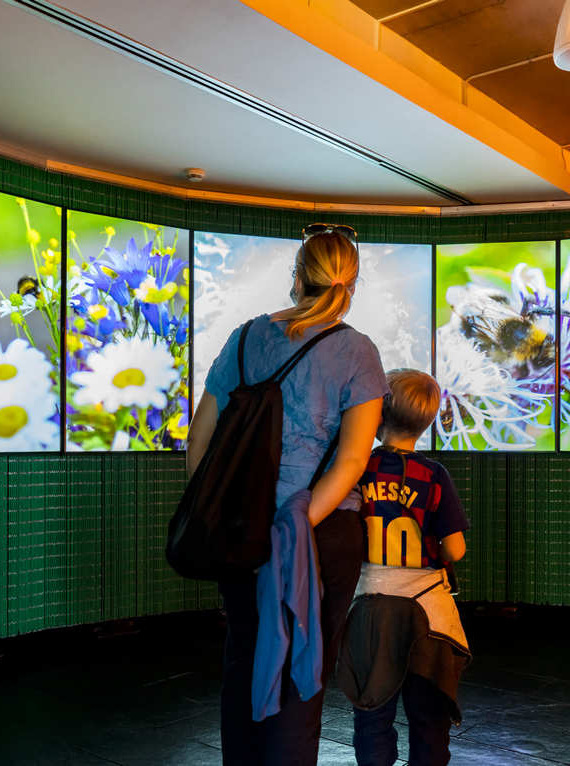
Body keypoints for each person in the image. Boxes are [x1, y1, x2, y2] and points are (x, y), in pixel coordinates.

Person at [187, 226, 387, 766]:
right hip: (320, 535)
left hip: (242, 530)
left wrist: (233, 514)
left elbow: (198, 441)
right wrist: (295, 522)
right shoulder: (357, 352)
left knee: (245, 656)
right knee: (305, 665)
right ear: (351, 283)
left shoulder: (245, 337)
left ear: (297, 275)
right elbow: (352, 460)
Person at [337, 369, 472, 766]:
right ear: (430, 420)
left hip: (369, 607)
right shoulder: (434, 475)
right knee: (430, 720)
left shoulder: (356, 468)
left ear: (377, 415)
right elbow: (456, 549)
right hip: (428, 613)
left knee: (372, 716)